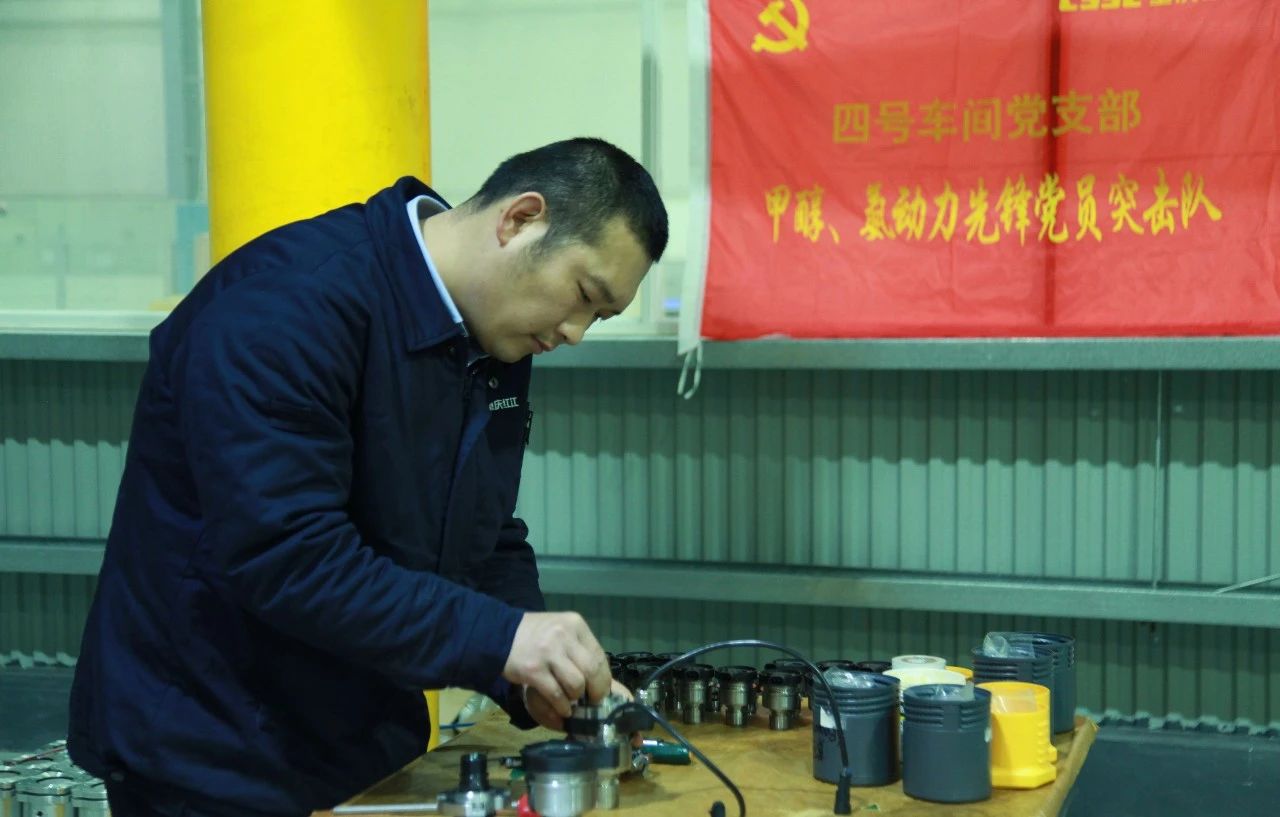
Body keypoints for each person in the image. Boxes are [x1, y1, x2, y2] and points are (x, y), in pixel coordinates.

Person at [68, 137, 669, 817]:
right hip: (210, 748)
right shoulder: (286, 307)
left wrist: (534, 673)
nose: (576, 332)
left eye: (600, 317)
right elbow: (289, 557)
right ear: (520, 219)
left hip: (359, 741)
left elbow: (483, 531)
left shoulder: (492, 338)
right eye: (583, 295)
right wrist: (501, 640)